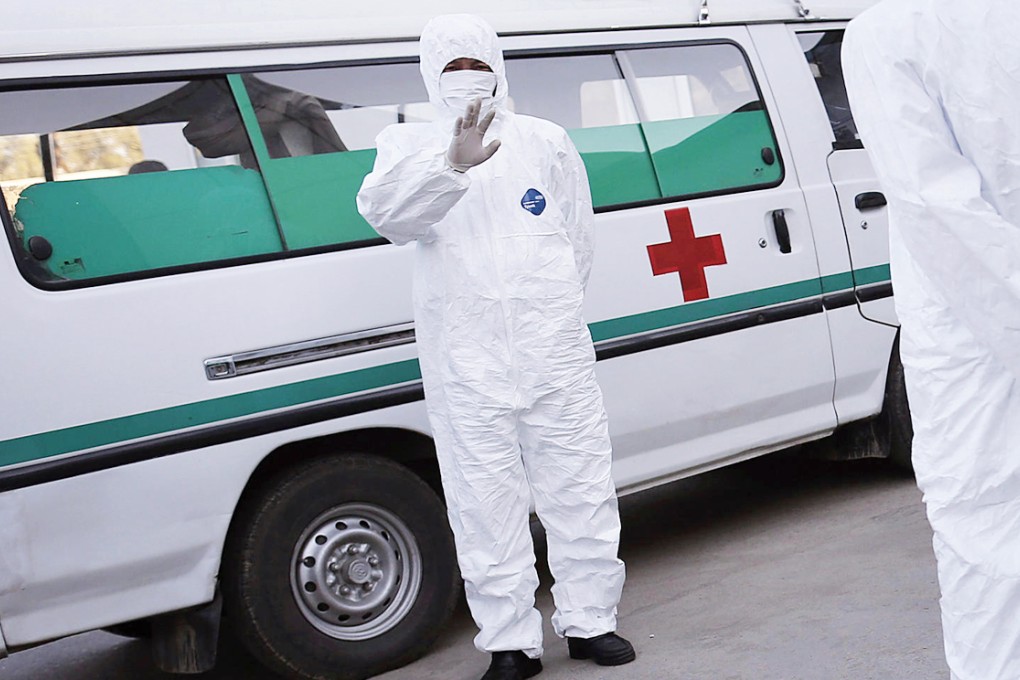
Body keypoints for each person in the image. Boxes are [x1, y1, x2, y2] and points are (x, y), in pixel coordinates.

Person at [356, 13, 633, 680]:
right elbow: (387, 216)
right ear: (429, 73)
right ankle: (510, 641)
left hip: (552, 349)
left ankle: (592, 621)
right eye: (452, 68)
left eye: (476, 64)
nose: (466, 79)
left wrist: (555, 313)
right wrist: (449, 165)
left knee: (582, 489)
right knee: (485, 503)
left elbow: (577, 237)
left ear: (499, 66)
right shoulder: (405, 146)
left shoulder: (544, 141)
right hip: (467, 358)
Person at [843, 2, 1020, 678]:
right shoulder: (896, 31)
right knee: (990, 539)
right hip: (969, 339)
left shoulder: (886, 31)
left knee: (988, 542)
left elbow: (935, 208)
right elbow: (936, 208)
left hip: (969, 337)